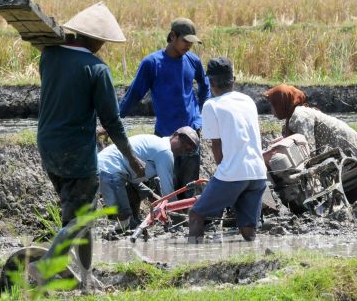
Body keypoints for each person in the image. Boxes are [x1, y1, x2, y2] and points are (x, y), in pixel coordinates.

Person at [34, 2, 145, 286]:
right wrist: (131, 157)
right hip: (78, 153)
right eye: (102, 41)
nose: (103, 46)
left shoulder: (48, 56)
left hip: (48, 147)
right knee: (84, 220)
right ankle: (43, 267)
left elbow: (65, 99)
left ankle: (85, 280)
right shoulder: (97, 69)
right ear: (93, 38)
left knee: (77, 220)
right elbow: (112, 121)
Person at [118, 18, 210, 198]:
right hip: (165, 138)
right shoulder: (152, 63)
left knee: (189, 187)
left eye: (192, 42)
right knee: (166, 186)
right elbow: (134, 94)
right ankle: (168, 219)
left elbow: (204, 86)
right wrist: (115, 119)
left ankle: (187, 220)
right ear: (173, 36)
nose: (189, 46)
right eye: (185, 41)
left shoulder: (193, 61)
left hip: (191, 134)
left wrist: (200, 116)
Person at [188, 57, 267, 243]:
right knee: (248, 229)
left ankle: (191, 256)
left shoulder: (211, 105)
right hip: (258, 173)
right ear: (233, 79)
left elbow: (217, 146)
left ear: (211, 82)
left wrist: (223, 174)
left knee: (196, 215)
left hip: (233, 175)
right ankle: (253, 256)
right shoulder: (248, 101)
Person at [262, 84, 357, 202]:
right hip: (338, 151)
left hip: (348, 147)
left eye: (273, 105)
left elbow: (307, 147)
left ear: (282, 103)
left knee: (355, 193)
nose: (272, 111)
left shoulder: (300, 115)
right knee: (346, 193)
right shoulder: (291, 118)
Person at [98, 127, 200, 230]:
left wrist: (150, 194)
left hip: (109, 169)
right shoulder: (165, 151)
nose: (186, 147)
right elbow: (168, 193)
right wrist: (181, 221)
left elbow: (135, 181)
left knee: (132, 210)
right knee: (124, 222)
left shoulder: (157, 144)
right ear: (174, 135)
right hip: (108, 170)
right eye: (184, 142)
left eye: (189, 149)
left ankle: (130, 221)